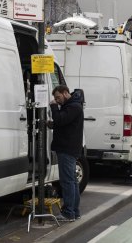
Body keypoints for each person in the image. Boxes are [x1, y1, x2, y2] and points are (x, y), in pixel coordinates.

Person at [48, 85, 84, 222]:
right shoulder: (72, 106)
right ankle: (74, 211)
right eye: (55, 99)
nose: (56, 100)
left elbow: (61, 119)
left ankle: (69, 212)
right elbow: (64, 123)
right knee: (72, 181)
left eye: (58, 97)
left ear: (65, 93)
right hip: (70, 148)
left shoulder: (73, 106)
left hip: (67, 149)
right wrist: (52, 124)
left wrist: (53, 108)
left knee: (67, 181)